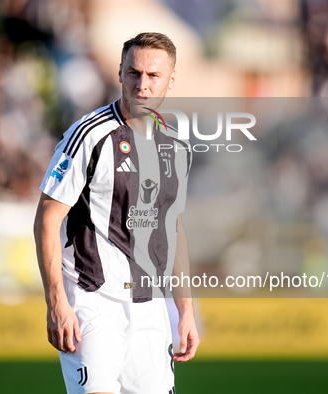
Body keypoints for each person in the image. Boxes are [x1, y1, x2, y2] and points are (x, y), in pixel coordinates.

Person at [34, 32, 199, 394]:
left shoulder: (174, 143)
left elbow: (173, 227)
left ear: (171, 79)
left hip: (148, 304)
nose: (143, 85)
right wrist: (57, 302)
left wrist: (185, 309)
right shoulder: (88, 136)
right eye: (134, 73)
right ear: (120, 74)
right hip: (92, 302)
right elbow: (47, 217)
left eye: (154, 76)